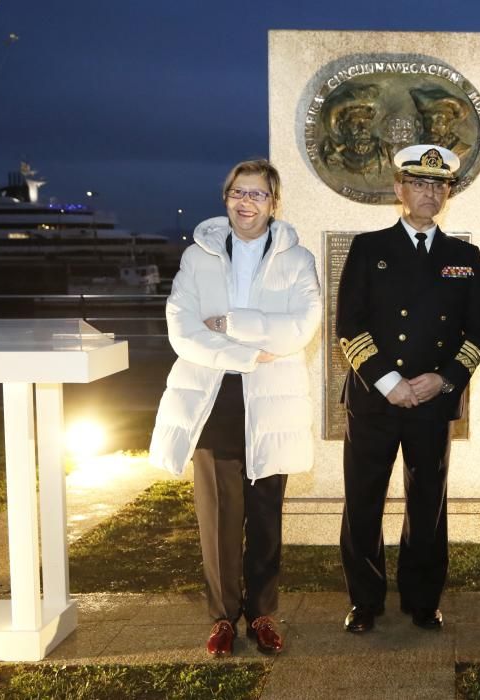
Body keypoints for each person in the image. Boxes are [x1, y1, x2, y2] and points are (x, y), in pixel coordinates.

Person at [149, 159, 322, 657]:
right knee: (219, 516)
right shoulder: (197, 256)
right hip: (215, 399)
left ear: (274, 203)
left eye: (257, 194)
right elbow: (183, 331)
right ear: (225, 198)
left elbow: (301, 328)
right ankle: (223, 617)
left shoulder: (298, 259)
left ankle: (263, 614)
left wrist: (227, 321)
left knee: (266, 515)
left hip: (273, 399)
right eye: (237, 193)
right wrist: (249, 348)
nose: (246, 202)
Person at [335, 144, 480, 633]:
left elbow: (477, 332)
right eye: (419, 183)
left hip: (432, 401)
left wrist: (443, 379)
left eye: (439, 185)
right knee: (364, 501)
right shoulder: (369, 248)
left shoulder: (464, 256)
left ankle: (423, 599)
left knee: (428, 504)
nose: (429, 192)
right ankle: (365, 601)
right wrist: (388, 382)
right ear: (399, 189)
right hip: (375, 401)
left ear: (448, 193)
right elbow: (350, 325)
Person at [320, 83, 393, 177]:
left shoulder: (385, 152)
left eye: (367, 123)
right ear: (343, 128)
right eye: (355, 124)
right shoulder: (333, 156)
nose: (363, 129)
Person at [410, 87, 473, 161]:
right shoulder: (418, 151)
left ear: (450, 124)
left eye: (439, 121)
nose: (432, 128)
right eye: (427, 121)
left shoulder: (459, 150)